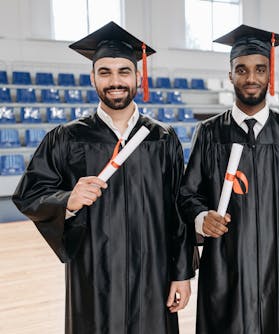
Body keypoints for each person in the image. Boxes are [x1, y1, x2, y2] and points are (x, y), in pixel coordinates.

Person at [12, 21, 197, 334]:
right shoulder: (67, 138)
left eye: (124, 71)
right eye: (105, 72)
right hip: (93, 276)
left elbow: (176, 211)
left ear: (138, 76)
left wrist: (182, 273)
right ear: (92, 77)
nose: (115, 81)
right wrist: (66, 199)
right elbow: (29, 194)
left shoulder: (161, 139)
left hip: (153, 276)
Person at [177, 24, 279, 334]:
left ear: (270, 74)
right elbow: (187, 196)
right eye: (241, 70)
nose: (251, 78)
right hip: (224, 271)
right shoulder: (210, 133)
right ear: (230, 75)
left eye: (259, 69)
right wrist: (202, 218)